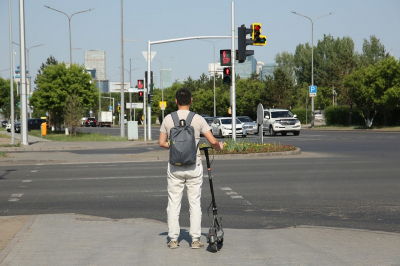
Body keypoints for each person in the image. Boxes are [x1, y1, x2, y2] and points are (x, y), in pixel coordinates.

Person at [159, 88, 224, 249]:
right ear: (191, 100)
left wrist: (174, 148)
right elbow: (213, 141)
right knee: (194, 203)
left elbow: (161, 143)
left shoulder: (168, 119)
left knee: (173, 203)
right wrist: (219, 147)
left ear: (176, 101)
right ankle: (195, 240)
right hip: (193, 165)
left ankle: (173, 240)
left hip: (175, 167)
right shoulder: (198, 119)